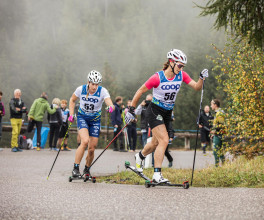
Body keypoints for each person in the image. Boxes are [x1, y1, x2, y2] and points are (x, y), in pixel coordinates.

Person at [125, 49, 208, 183]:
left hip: (167, 112)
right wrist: (131, 109)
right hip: (155, 111)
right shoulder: (158, 77)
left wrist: (201, 78)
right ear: (171, 62)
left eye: (183, 66)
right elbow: (140, 90)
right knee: (164, 140)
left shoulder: (181, 75)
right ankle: (157, 174)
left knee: (155, 142)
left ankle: (139, 156)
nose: (181, 69)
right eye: (179, 65)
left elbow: (197, 87)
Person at [69, 70, 114, 177]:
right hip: (82, 117)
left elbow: (109, 102)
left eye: (97, 84)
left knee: (92, 148)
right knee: (84, 141)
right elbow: (72, 100)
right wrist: (71, 114)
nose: (94, 87)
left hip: (95, 120)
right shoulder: (81, 89)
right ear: (88, 82)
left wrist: (110, 107)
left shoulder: (102, 91)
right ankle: (75, 168)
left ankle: (87, 169)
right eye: (93, 84)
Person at [210, 99, 225, 167]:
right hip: (217, 134)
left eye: (211, 104)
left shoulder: (219, 113)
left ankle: (217, 166)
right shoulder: (218, 112)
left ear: (215, 105)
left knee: (216, 151)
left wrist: (215, 131)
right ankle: (224, 165)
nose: (211, 106)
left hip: (219, 134)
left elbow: (221, 125)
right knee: (220, 151)